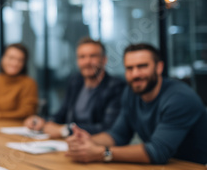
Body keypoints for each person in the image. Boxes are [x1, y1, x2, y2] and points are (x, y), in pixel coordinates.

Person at [66, 43, 207, 164]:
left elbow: (157, 152)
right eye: (129, 68)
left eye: (142, 66)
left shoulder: (179, 98)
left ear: (159, 67)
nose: (135, 74)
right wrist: (87, 141)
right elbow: (117, 135)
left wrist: (102, 152)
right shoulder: (131, 93)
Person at [24, 37, 125, 138]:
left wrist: (66, 130)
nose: (87, 62)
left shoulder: (116, 87)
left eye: (93, 56)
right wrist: (42, 121)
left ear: (104, 60)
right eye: (82, 57)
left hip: (96, 147)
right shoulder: (75, 82)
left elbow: (108, 127)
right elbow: (61, 114)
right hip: (69, 143)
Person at [0, 43, 38, 120]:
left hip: (17, 127)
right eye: (11, 58)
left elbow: (27, 112)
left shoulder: (29, 83)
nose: (15, 63)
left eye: (20, 60)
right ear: (3, 58)